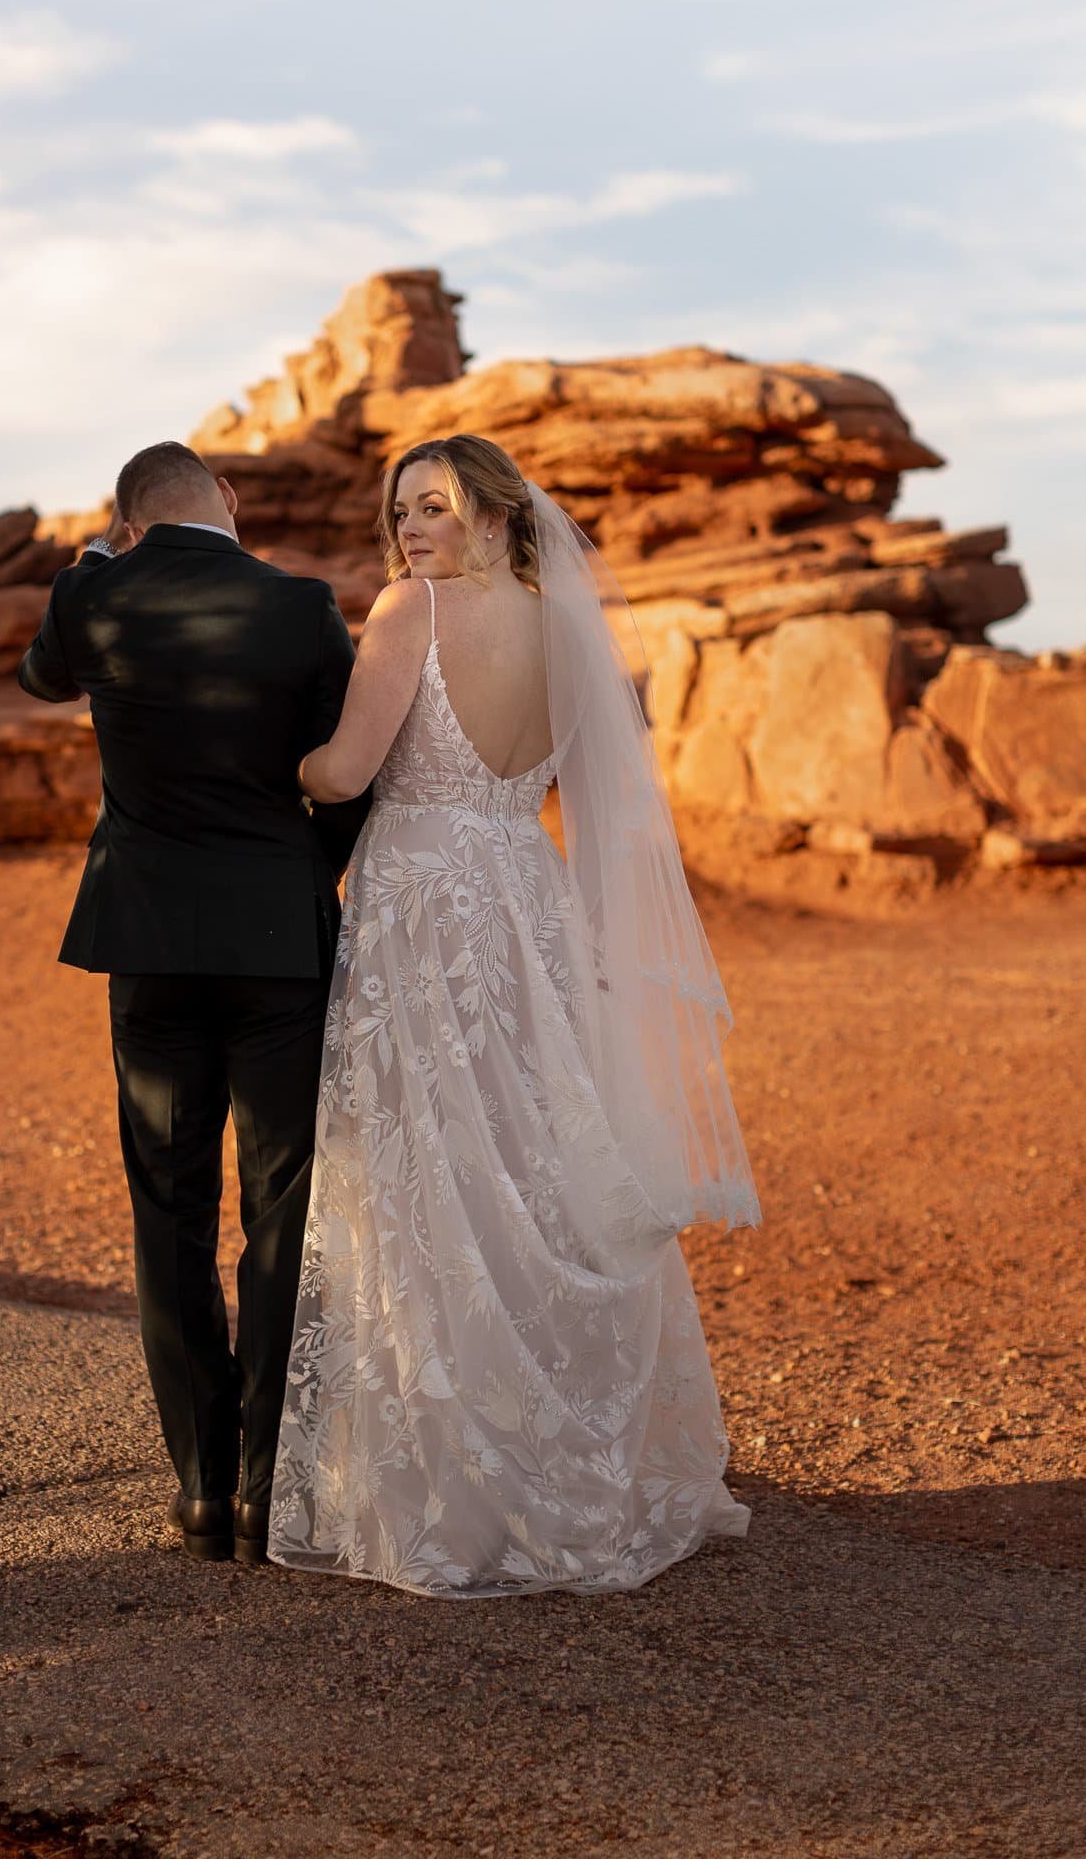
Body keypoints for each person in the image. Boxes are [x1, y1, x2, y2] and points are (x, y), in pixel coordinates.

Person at [268, 434, 761, 1597]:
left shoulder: (409, 611)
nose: (411, 531)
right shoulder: (562, 624)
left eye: (433, 508)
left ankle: (463, 1491)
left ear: (496, 515)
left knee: (430, 1174)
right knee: (534, 1163)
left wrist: (266, 768)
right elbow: (597, 801)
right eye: (401, 512)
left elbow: (343, 771)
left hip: (423, 904)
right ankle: (566, 1456)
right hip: (523, 897)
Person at [17, 441, 370, 1566]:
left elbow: (40, 675)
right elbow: (353, 772)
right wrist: (306, 873)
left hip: (151, 942)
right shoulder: (301, 605)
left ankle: (201, 1491)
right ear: (230, 499)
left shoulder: (94, 594)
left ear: (128, 517)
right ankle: (272, 1493)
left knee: (168, 1210)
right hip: (277, 941)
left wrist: (90, 560)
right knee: (281, 1209)